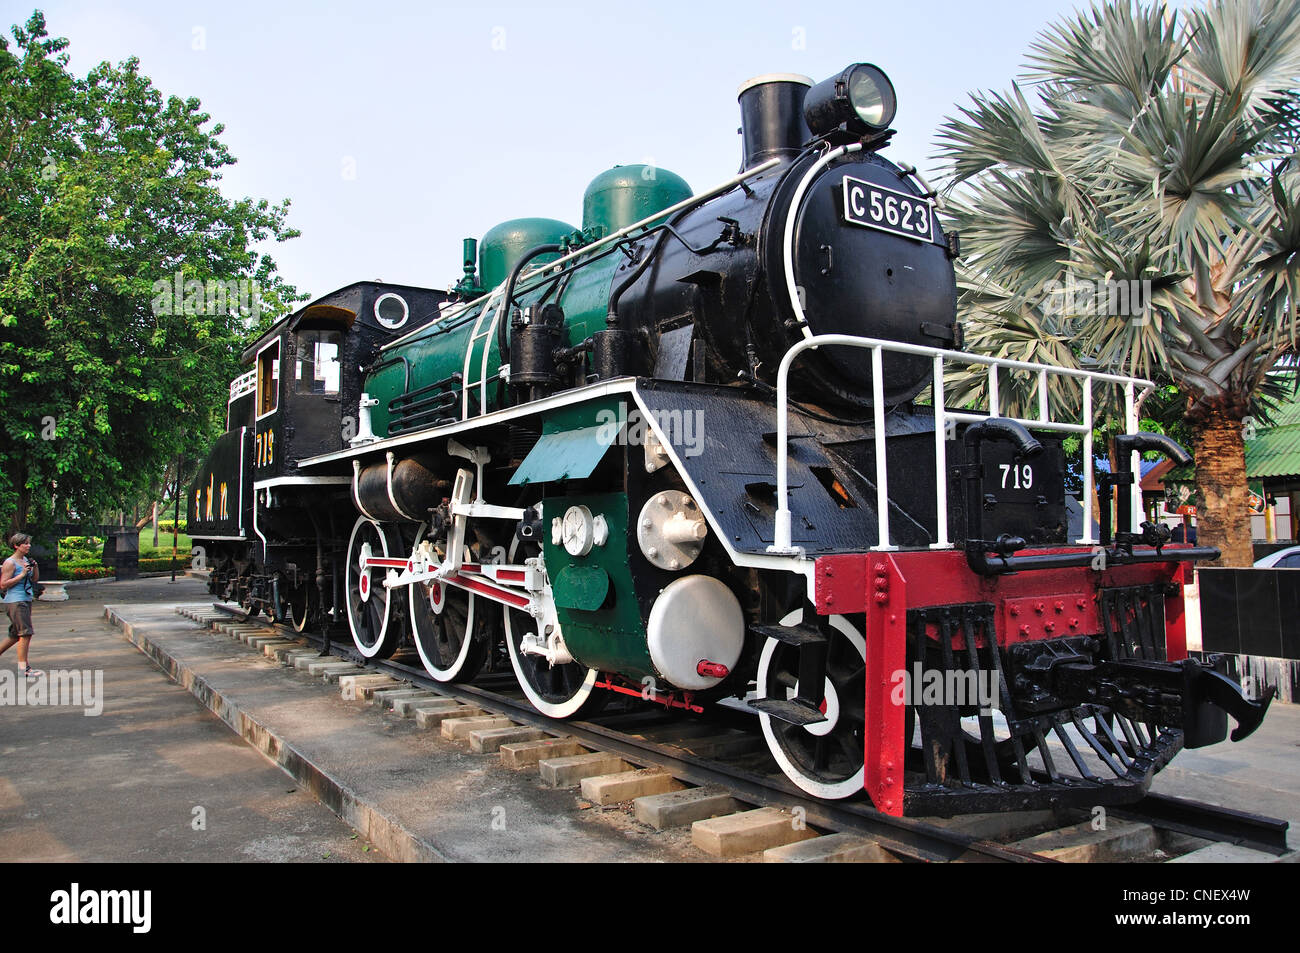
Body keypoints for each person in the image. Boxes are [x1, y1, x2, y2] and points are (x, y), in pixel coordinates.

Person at [1, 532, 41, 676]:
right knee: (25, 633)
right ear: (17, 545)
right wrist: (21, 574)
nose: (28, 545)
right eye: (25, 543)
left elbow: (35, 579)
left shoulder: (25, 560)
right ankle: (24, 668)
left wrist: (34, 567)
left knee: (14, 635)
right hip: (15, 601)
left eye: (29, 543)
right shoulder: (9, 563)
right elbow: (3, 584)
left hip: (25, 599)